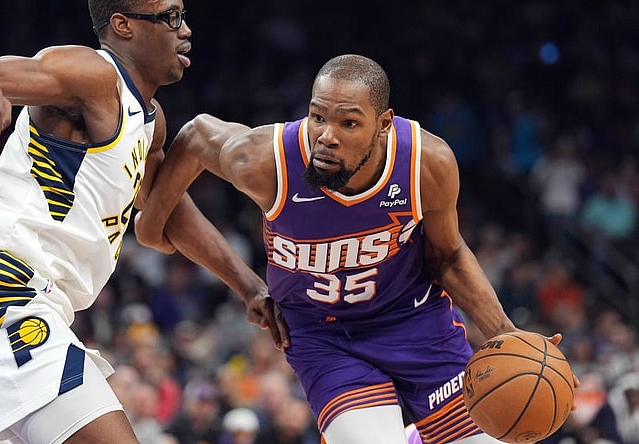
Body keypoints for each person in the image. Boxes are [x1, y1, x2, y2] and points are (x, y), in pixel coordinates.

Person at [136, 54, 577, 443]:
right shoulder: (267, 161)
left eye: (348, 122)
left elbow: (448, 256)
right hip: (322, 336)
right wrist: (163, 231)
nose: (326, 136)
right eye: (317, 117)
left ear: (383, 125)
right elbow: (195, 135)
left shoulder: (427, 163)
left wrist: (506, 334)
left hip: (416, 323)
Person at [0, 1, 284, 443]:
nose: (184, 29)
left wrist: (249, 286)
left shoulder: (151, 122)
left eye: (183, 15)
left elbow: (165, 216)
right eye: (170, 17)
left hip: (28, 298)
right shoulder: (92, 74)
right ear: (123, 25)